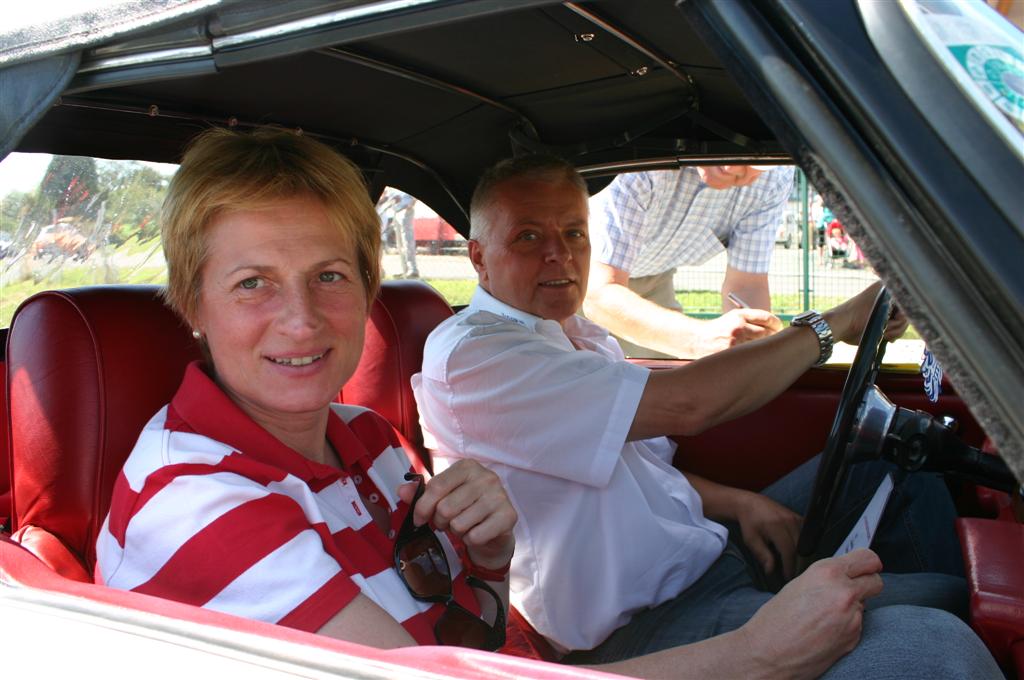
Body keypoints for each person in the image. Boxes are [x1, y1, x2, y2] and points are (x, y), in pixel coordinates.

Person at [412, 154, 1002, 679]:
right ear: (478, 257)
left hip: (703, 558)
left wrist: (742, 504)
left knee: (897, 461)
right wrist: (832, 325)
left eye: (574, 232)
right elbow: (689, 405)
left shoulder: (578, 337)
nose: (559, 254)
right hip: (636, 631)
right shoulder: (477, 355)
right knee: (940, 636)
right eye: (528, 237)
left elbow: (638, 468)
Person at [94, 127, 516, 651]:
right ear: (192, 304)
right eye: (252, 283)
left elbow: (474, 635)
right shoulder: (192, 503)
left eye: (330, 276)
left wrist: (491, 556)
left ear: (367, 291)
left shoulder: (372, 436)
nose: (301, 321)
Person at [583, 165, 794, 359]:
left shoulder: (776, 175)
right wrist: (700, 340)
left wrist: (755, 356)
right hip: (573, 276)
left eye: (759, 163)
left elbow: (746, 285)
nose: (733, 167)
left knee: (666, 387)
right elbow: (598, 295)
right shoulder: (643, 164)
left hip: (654, 279)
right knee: (572, 380)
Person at [377, 187, 420, 278]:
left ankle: (412, 269)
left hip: (405, 209)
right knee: (400, 244)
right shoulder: (390, 186)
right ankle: (405, 270)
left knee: (407, 241)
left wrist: (411, 204)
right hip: (396, 211)